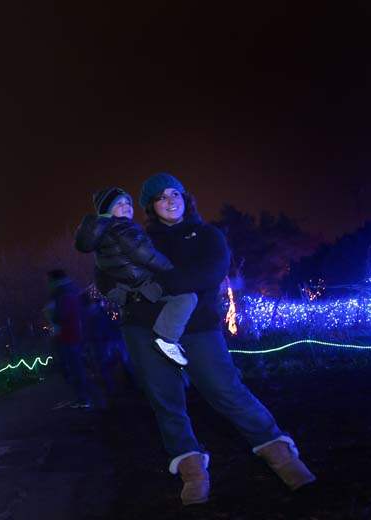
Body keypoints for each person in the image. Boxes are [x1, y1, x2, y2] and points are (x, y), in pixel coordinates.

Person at [111, 172, 316, 505]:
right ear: (151, 206)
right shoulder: (139, 239)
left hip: (198, 327)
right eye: (160, 197)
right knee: (166, 400)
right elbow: (113, 272)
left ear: (185, 198)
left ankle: (280, 454)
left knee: (226, 389)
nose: (169, 200)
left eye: (174, 193)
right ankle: (192, 471)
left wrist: (155, 285)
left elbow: (209, 273)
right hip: (145, 329)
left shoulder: (208, 235)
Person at [75, 187, 198, 366]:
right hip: (141, 281)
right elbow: (145, 254)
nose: (126, 206)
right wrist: (171, 270)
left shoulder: (101, 236)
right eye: (119, 204)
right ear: (107, 211)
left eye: (128, 203)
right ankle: (167, 338)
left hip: (126, 285)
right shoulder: (122, 227)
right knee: (187, 297)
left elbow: (104, 271)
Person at [43, 269, 100, 409]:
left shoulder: (63, 293)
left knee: (74, 368)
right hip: (74, 334)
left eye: (49, 280)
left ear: (55, 280)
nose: (48, 283)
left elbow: (62, 315)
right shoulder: (70, 290)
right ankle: (88, 397)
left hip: (69, 335)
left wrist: (51, 314)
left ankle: (86, 398)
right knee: (75, 367)